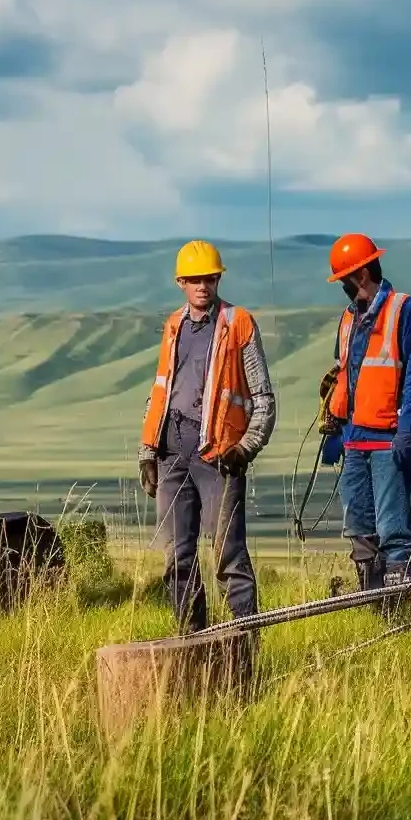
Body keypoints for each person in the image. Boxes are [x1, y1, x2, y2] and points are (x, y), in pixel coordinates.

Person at [137, 239, 274, 633]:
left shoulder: (239, 323)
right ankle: (191, 643)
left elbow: (263, 398)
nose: (203, 286)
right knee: (176, 558)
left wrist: (244, 450)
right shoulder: (174, 326)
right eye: (195, 280)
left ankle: (245, 644)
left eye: (210, 279)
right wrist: (148, 452)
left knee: (228, 555)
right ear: (181, 281)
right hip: (171, 452)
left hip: (218, 456)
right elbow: (160, 389)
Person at [317, 232, 411, 599]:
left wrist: (407, 429)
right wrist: (335, 432)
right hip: (353, 440)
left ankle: (400, 612)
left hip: (388, 440)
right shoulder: (348, 320)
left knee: (393, 530)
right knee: (360, 529)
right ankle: (374, 605)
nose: (343, 290)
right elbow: (344, 375)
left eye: (343, 281)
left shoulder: (404, 309)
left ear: (360, 275)